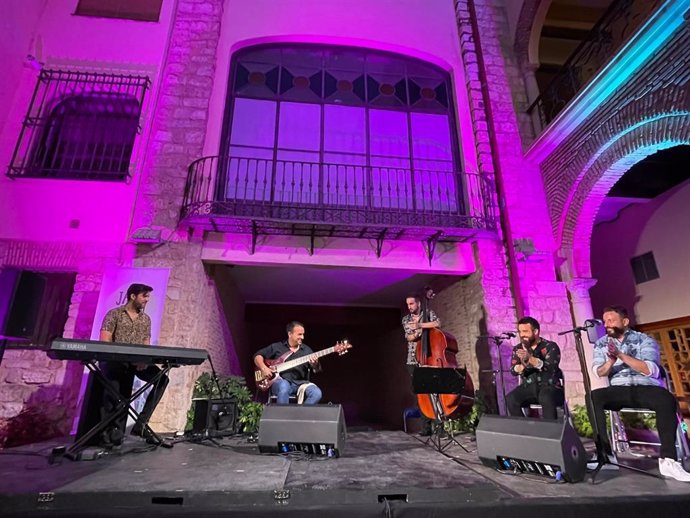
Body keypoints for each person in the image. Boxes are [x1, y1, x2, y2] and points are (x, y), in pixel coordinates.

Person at [586, 305, 690, 481]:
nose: (607, 324)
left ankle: (669, 461)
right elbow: (598, 372)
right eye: (605, 321)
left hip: (645, 386)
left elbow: (651, 370)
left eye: (611, 320)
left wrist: (621, 355)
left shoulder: (644, 340)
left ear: (625, 322)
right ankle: (606, 455)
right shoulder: (602, 343)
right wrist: (610, 361)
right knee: (593, 397)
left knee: (665, 399)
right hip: (618, 388)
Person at [99, 283, 169, 446]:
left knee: (162, 379)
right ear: (133, 296)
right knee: (115, 390)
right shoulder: (114, 314)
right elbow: (105, 340)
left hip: (135, 361)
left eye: (148, 296)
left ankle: (141, 424)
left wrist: (144, 360)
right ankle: (109, 432)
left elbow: (145, 343)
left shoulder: (145, 320)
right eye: (144, 296)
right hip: (115, 360)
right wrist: (115, 356)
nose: (147, 299)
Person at [506, 316, 564, 420]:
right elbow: (513, 370)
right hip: (529, 387)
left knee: (545, 396)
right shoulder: (518, 348)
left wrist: (530, 358)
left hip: (550, 386)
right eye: (520, 332)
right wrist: (522, 365)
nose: (522, 335)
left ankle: (550, 433)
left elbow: (550, 369)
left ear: (536, 331)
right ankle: (525, 431)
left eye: (525, 331)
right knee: (511, 398)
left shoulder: (550, 346)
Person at [253, 321, 322, 405]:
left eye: (303, 334)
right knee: (284, 386)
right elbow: (257, 356)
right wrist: (264, 368)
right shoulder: (277, 347)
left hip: (300, 384)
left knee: (316, 393)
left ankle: (300, 415)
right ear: (290, 334)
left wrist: (314, 364)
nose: (302, 337)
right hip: (280, 382)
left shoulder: (307, 350)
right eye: (299, 334)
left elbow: (316, 370)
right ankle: (282, 417)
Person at [401, 293, 440, 436]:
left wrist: (420, 325)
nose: (409, 307)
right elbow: (409, 337)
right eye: (407, 304)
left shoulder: (428, 313)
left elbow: (437, 323)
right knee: (421, 395)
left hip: (429, 357)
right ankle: (426, 427)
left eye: (411, 304)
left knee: (434, 392)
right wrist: (419, 332)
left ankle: (439, 425)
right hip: (413, 360)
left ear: (418, 303)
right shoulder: (406, 319)